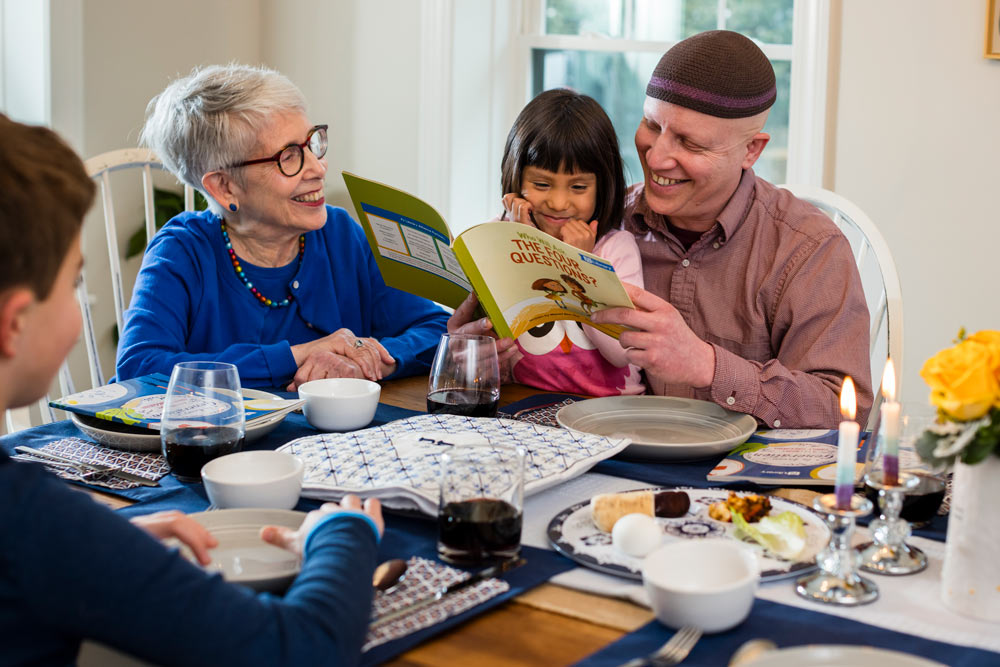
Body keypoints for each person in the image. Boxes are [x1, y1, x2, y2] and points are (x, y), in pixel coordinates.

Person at [0, 114, 384, 665]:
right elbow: (302, 649)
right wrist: (345, 533)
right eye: (75, 284)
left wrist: (106, 535)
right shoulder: (31, 522)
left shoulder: (44, 527)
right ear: (14, 323)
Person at [589, 30, 873, 428]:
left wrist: (707, 365)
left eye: (689, 143)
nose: (655, 157)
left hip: (747, 479)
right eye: (651, 125)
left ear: (751, 150)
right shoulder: (600, 221)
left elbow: (841, 410)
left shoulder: (809, 248)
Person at [116, 64, 449, 390]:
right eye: (288, 156)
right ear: (225, 187)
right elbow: (139, 367)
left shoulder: (340, 235)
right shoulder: (182, 250)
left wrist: (363, 359)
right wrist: (299, 355)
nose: (318, 168)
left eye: (312, 144)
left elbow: (435, 328)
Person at [496, 89, 645, 396]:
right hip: (525, 402)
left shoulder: (616, 248)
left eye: (578, 187)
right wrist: (522, 244)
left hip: (608, 410)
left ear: (602, 187)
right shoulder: (498, 236)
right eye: (541, 184)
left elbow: (623, 351)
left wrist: (579, 265)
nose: (559, 202)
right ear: (516, 178)